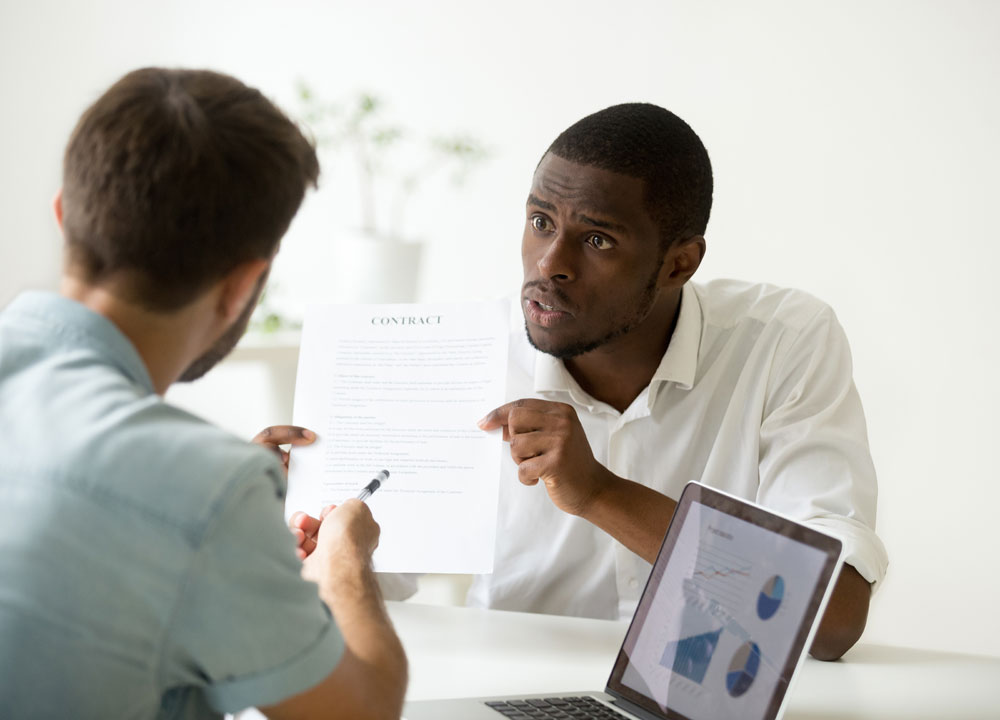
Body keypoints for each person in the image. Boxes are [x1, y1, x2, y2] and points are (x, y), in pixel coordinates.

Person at [281, 102, 888, 662]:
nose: (550, 264)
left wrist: (599, 493)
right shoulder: (460, 357)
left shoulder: (781, 342)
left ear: (679, 263)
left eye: (597, 239)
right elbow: (348, 588)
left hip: (704, 696)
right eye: (540, 221)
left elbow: (833, 619)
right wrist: (271, 527)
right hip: (505, 690)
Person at [0, 68, 406, 719]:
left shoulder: (203, 488)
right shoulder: (208, 488)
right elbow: (362, 713)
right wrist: (344, 559)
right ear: (243, 285)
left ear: (62, 216)